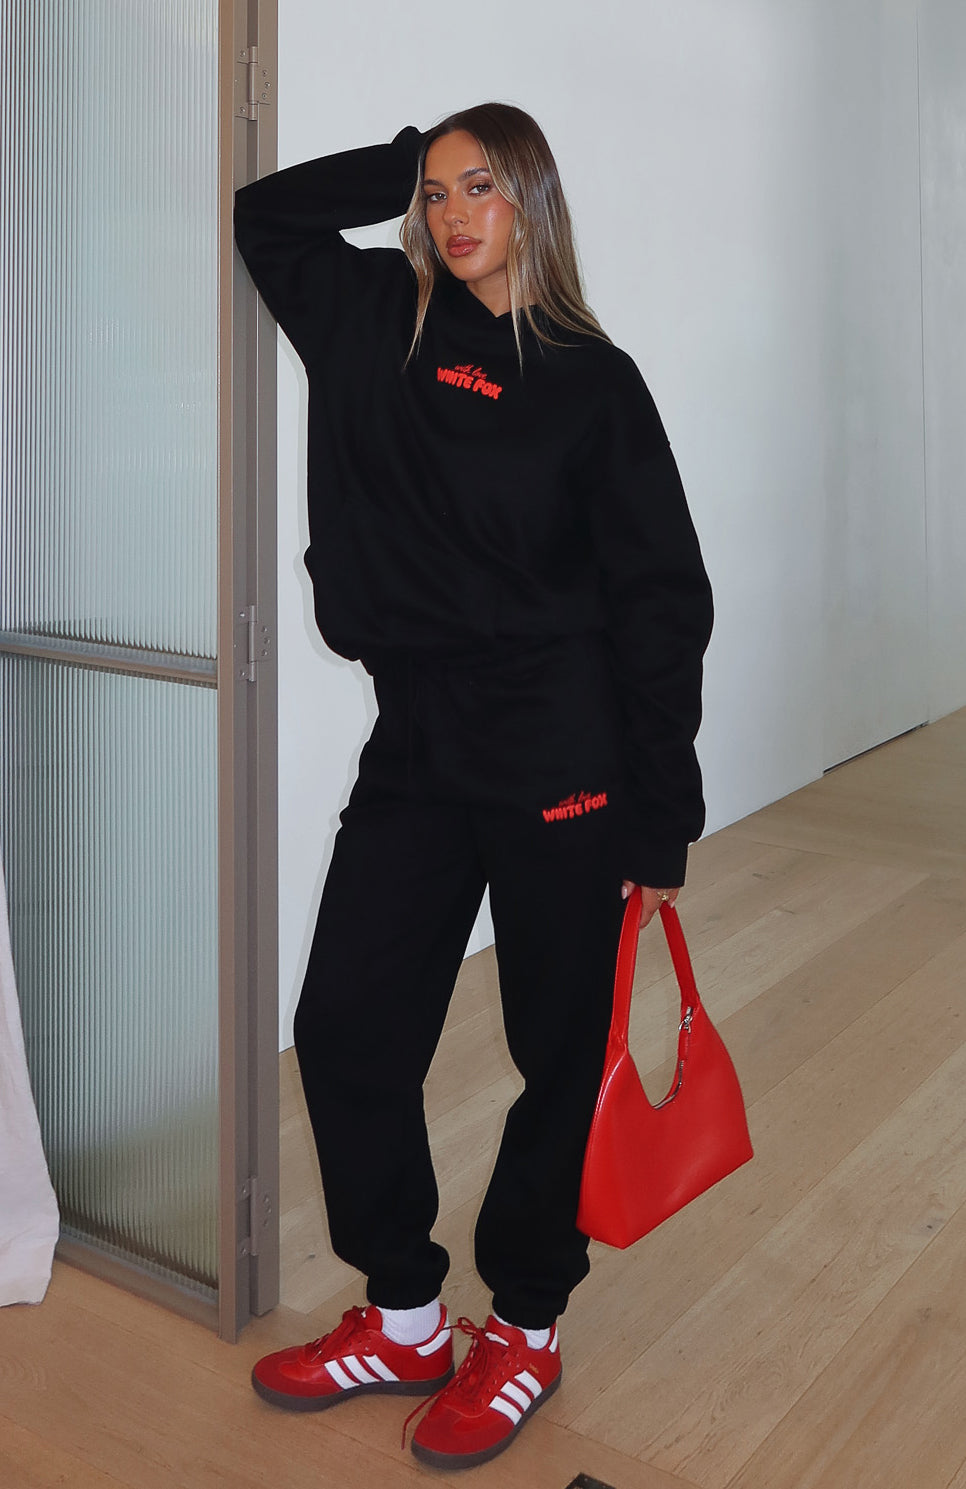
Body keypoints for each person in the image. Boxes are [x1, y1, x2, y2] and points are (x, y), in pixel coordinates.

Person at [234, 102, 713, 1470]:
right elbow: (266, 214)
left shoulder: (588, 381)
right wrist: (407, 154)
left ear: (533, 203)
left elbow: (659, 603)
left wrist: (660, 812)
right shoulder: (370, 317)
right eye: (435, 192)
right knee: (345, 1023)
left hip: (561, 752)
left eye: (482, 187)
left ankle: (525, 1325)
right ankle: (403, 1314)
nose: (454, 214)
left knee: (556, 1048)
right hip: (418, 742)